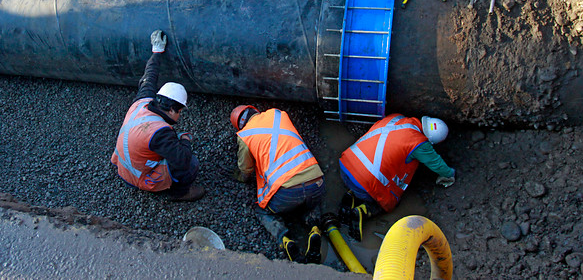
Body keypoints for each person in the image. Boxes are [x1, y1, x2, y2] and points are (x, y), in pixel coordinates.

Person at [110, 30, 205, 202]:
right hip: (138, 178)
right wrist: (185, 140)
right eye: (180, 112)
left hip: (123, 167)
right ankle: (180, 193)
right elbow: (182, 160)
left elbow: (149, 76)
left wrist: (157, 52)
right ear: (171, 110)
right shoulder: (159, 132)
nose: (179, 116)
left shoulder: (143, 102)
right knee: (191, 163)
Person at [224, 105, 325, 264]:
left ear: (239, 126)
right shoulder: (278, 114)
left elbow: (246, 169)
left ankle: (285, 238)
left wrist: (241, 177)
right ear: (255, 111)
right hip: (317, 182)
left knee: (264, 211)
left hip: (287, 193)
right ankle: (314, 228)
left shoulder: (244, 135)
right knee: (311, 204)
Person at [338, 113, 456, 240]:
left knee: (364, 179)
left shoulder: (395, 118)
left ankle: (352, 195)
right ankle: (364, 211)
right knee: (389, 203)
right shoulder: (419, 143)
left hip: (345, 165)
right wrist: (450, 174)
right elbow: (436, 163)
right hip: (364, 184)